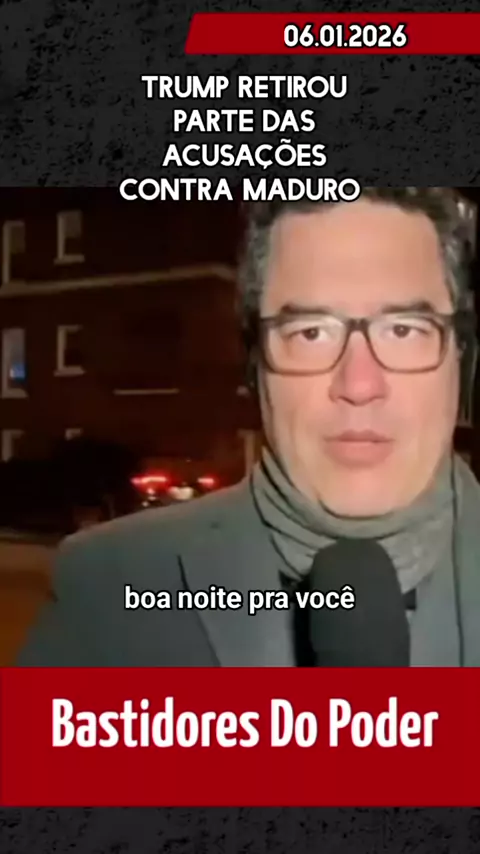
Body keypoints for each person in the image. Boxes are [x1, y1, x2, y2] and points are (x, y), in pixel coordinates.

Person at [17, 188, 480, 666]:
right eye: (311, 333)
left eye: (403, 330)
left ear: (461, 359)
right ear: (255, 367)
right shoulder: (108, 587)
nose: (359, 385)